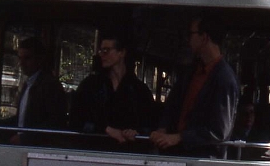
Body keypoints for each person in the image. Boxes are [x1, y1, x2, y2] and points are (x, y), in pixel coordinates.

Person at [150, 17, 239, 156]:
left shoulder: (224, 78)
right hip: (178, 155)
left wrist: (179, 137)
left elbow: (219, 130)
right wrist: (163, 128)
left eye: (191, 34)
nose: (188, 40)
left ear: (204, 37)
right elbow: (173, 106)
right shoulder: (190, 72)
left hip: (203, 161)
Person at [69, 31, 156, 145]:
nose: (101, 55)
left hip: (128, 152)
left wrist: (136, 132)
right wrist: (105, 129)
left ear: (122, 52)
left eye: (106, 50)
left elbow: (150, 125)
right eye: (101, 51)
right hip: (94, 150)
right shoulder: (90, 85)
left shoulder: (139, 90)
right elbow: (75, 120)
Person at [11, 37, 67, 142]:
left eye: (27, 58)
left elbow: (55, 124)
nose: (21, 63)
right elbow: (20, 120)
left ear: (39, 59)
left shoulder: (50, 86)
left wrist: (25, 138)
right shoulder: (27, 85)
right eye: (20, 58)